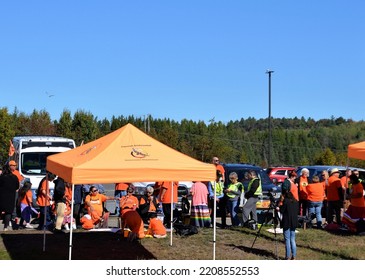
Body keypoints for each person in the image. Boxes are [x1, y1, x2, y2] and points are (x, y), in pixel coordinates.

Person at [279, 191, 299, 260]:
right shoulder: (296, 201)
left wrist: (279, 206)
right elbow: (297, 211)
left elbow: (282, 210)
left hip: (287, 222)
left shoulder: (286, 201)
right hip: (294, 222)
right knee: (292, 239)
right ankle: (294, 255)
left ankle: (287, 256)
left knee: (287, 239)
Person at [0, 164, 20, 231]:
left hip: (2, 196)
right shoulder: (14, 177)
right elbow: (17, 186)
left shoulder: (2, 177)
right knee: (8, 212)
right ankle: (6, 227)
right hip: (11, 197)